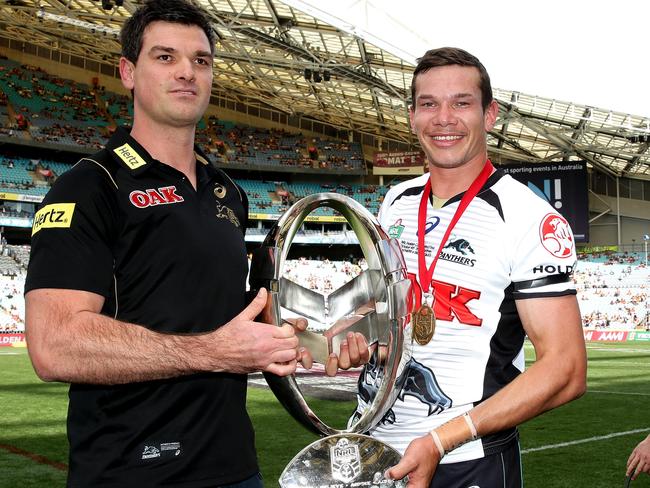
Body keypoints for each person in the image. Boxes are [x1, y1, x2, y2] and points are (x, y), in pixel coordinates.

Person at [23, 1, 368, 486]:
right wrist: (213, 352)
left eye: (200, 61)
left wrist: (311, 339)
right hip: (130, 473)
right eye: (165, 57)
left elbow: (232, 325)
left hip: (233, 466)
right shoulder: (89, 187)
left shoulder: (228, 192)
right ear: (128, 71)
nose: (187, 72)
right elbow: (53, 346)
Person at [351, 47, 587, 487]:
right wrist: (351, 334)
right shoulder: (394, 203)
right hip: (373, 449)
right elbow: (383, 315)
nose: (444, 118)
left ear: (490, 114)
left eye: (461, 103)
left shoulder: (528, 217)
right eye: (429, 104)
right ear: (412, 116)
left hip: (464, 460)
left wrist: (440, 441)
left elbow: (566, 369)